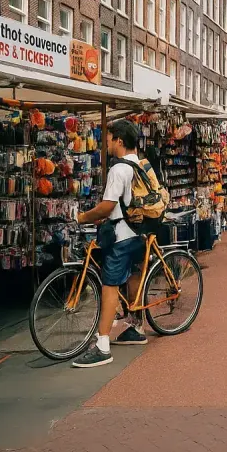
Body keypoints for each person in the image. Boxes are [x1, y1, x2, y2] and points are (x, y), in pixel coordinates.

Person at [72, 119, 151, 368]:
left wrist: (83, 217)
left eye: (108, 138)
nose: (106, 142)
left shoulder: (118, 169)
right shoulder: (142, 164)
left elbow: (108, 206)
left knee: (110, 284)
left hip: (122, 235)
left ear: (118, 140)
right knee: (133, 274)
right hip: (139, 231)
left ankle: (103, 346)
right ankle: (135, 327)